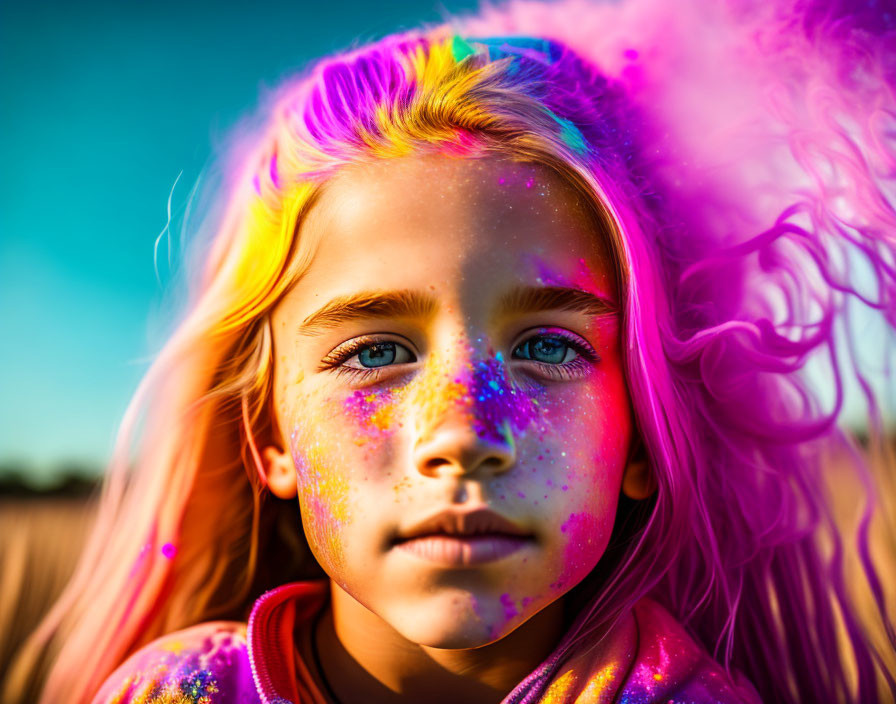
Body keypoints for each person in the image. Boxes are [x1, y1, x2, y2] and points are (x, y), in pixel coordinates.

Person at [6, 1, 895, 702]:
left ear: (641, 438)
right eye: (374, 353)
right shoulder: (173, 696)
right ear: (268, 435)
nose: (464, 433)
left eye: (548, 346)